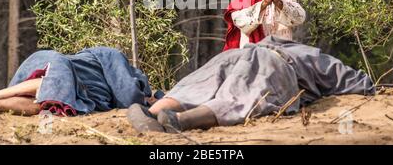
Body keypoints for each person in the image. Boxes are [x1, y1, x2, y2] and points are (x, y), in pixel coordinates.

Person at [127, 36, 375, 133]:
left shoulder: (283, 44)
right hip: (268, 59)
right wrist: (368, 85)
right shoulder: (311, 54)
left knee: (203, 83)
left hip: (241, 53)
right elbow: (356, 81)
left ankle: (155, 112)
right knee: (241, 93)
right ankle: (174, 121)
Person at [0, 47, 160, 117]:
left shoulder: (91, 91)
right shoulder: (112, 55)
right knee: (50, 85)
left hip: (63, 86)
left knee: (45, 103)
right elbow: (128, 94)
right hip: (53, 62)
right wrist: (145, 98)